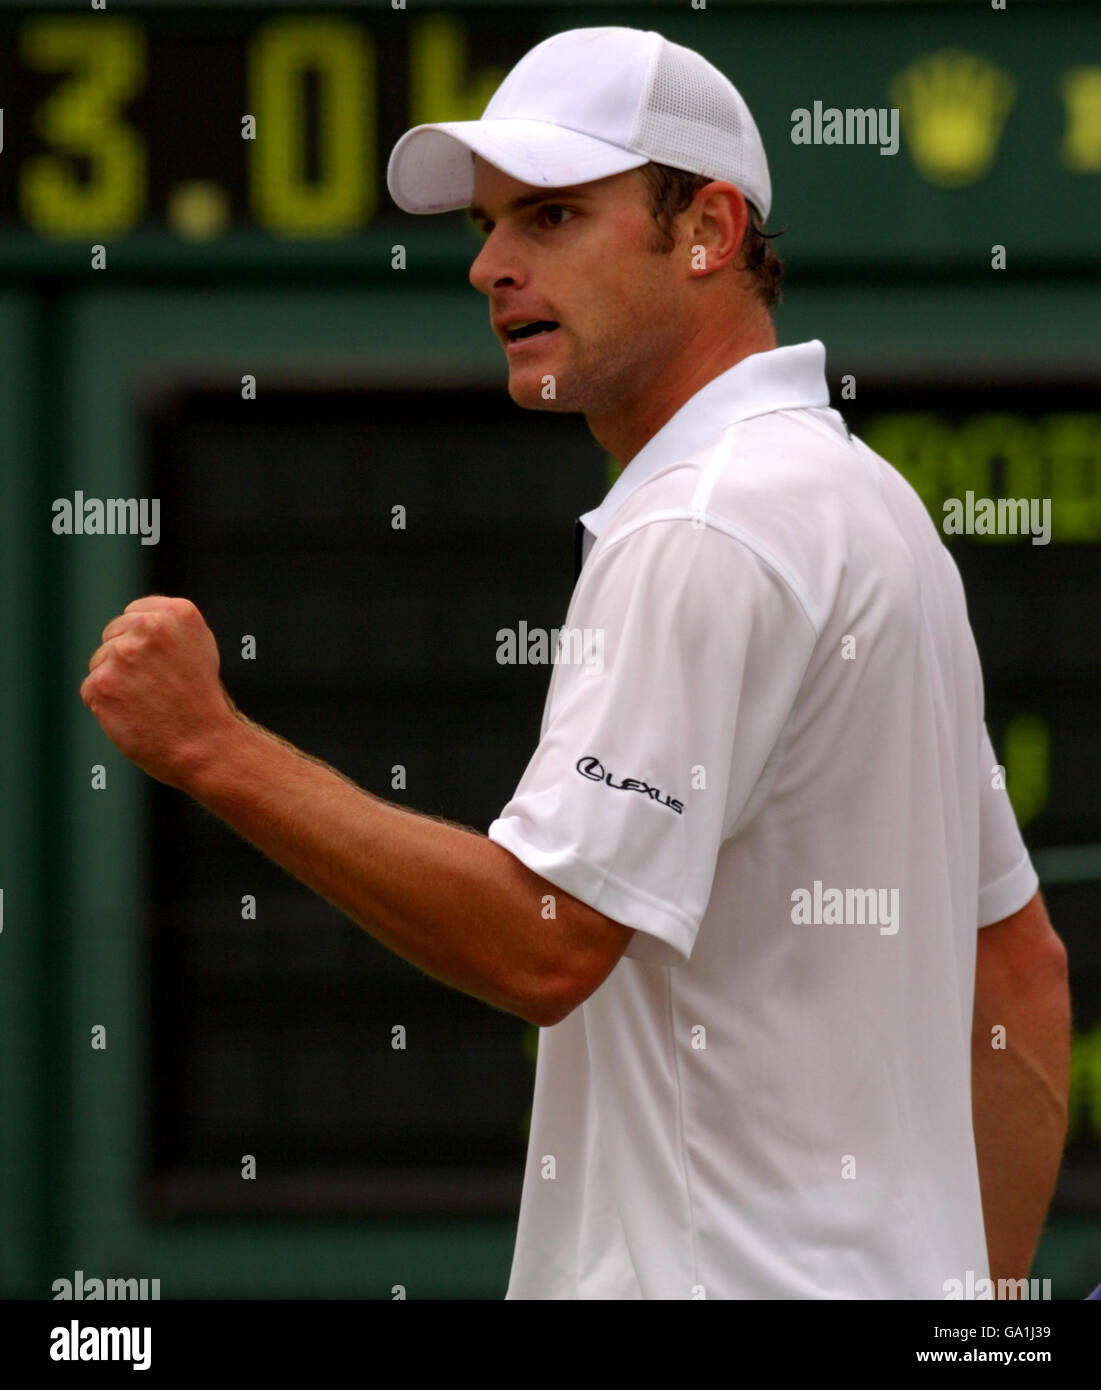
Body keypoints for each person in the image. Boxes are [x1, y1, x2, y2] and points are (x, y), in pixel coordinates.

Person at [81, 26, 1070, 1299]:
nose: (492, 265)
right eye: (490, 225)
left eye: (551, 214)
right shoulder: (871, 509)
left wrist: (213, 747)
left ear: (708, 229)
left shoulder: (699, 525)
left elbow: (544, 942)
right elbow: (1023, 973)